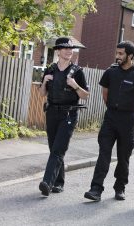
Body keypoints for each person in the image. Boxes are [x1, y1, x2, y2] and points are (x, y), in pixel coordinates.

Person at [84, 41, 134, 202]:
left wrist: (132, 115)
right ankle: (95, 189)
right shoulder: (110, 73)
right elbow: (105, 95)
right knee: (103, 154)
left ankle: (120, 188)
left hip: (128, 121)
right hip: (110, 118)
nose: (117, 56)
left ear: (130, 56)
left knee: (123, 157)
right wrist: (114, 109)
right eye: (117, 53)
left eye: (121, 54)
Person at [39, 37, 89, 196]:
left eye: (71, 49)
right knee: (54, 148)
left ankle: (47, 182)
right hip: (52, 112)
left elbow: (85, 95)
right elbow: (42, 94)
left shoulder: (77, 72)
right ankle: (59, 183)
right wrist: (44, 81)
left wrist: (74, 85)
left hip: (69, 114)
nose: (69, 51)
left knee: (58, 149)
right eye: (65, 48)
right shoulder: (50, 70)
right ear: (58, 51)